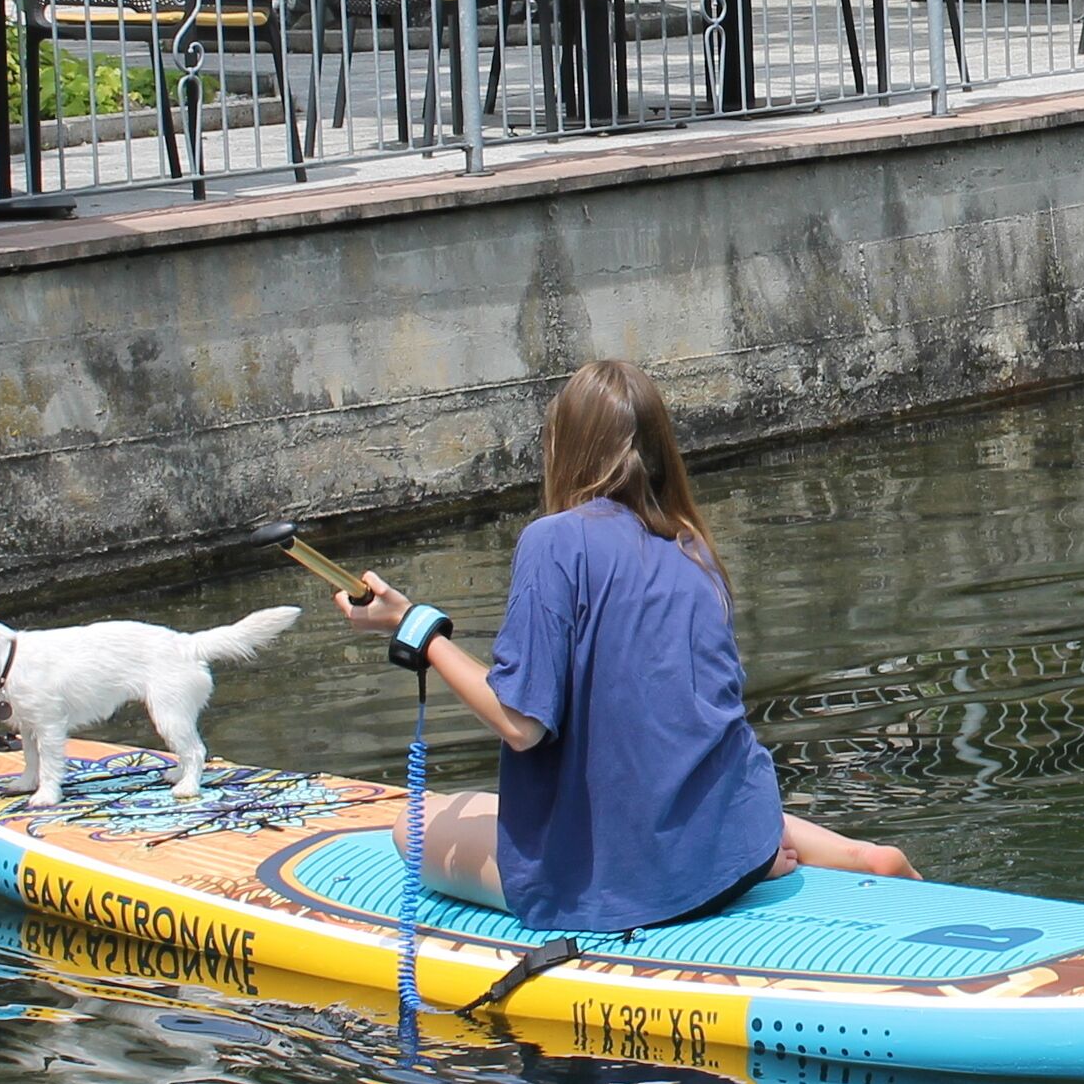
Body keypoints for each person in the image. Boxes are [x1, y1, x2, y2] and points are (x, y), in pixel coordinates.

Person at [336, 357, 913, 929]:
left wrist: (416, 627)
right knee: (495, 805)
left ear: (565, 448)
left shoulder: (552, 542)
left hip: (638, 878)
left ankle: (702, 866)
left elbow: (521, 724)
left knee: (411, 828)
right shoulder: (693, 546)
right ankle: (845, 853)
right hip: (739, 832)